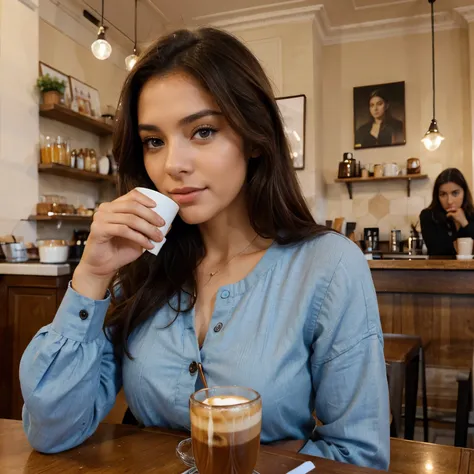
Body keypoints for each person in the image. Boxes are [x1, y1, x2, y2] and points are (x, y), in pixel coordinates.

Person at [19, 28, 389, 469]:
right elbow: (53, 429)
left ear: (254, 138)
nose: (173, 163)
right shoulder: (140, 266)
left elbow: (357, 457)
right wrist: (92, 277)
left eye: (203, 131)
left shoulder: (328, 267)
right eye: (154, 141)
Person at [420, 168, 474, 256]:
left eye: (455, 193)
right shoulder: (428, 216)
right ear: (437, 196)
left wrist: (464, 223)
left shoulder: (472, 215)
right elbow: (437, 251)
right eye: (443, 194)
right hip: (439, 269)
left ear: (464, 192)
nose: (449, 201)